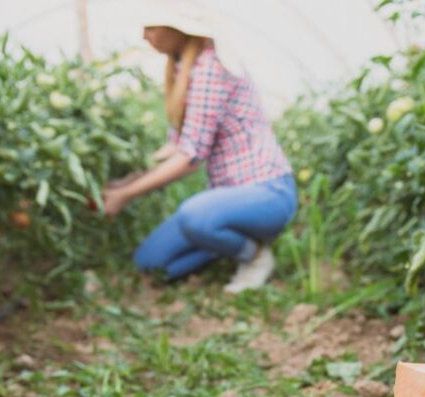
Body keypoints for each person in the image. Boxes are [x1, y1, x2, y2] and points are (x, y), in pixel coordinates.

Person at [102, 2, 297, 293]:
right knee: (150, 263)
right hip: (226, 199)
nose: (145, 35)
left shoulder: (211, 67)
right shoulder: (184, 70)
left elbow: (189, 158)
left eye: (152, 27)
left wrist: (125, 195)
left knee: (195, 215)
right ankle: (225, 242)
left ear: (178, 30)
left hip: (267, 194)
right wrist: (128, 179)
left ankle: (254, 256)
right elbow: (175, 147)